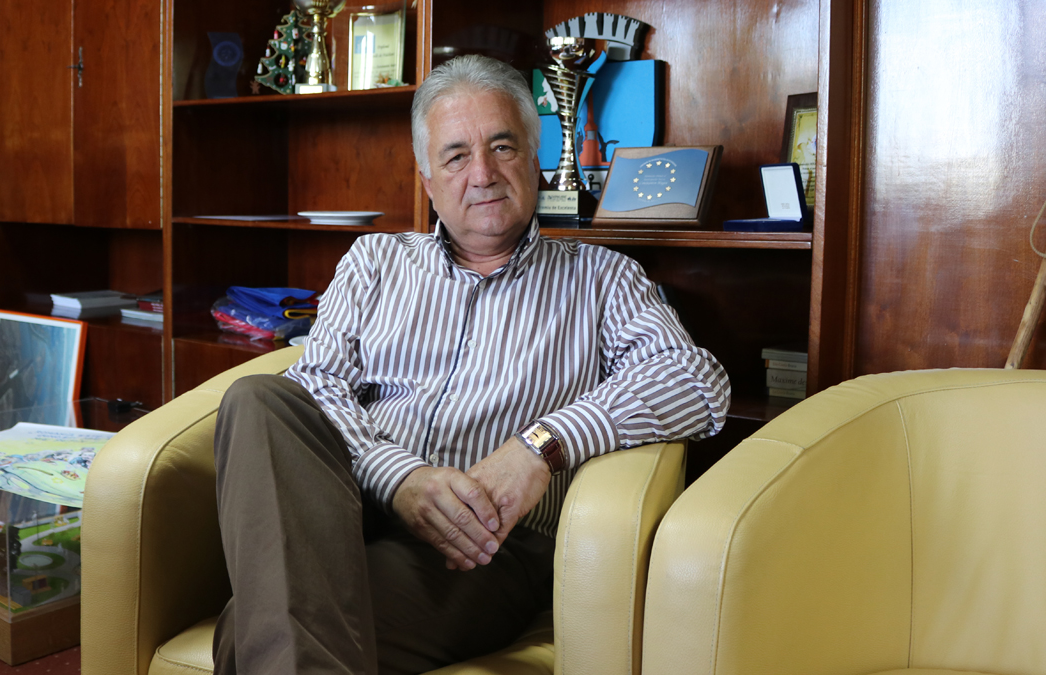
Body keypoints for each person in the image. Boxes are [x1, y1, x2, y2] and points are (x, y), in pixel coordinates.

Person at [212, 54, 730, 675]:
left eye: (502, 147)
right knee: (259, 398)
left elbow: (696, 382)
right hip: (346, 509)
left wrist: (540, 447)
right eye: (456, 156)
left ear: (535, 160)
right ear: (428, 179)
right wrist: (398, 478)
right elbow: (320, 383)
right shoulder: (374, 261)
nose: (482, 173)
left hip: (483, 545)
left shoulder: (602, 278)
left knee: (248, 631)